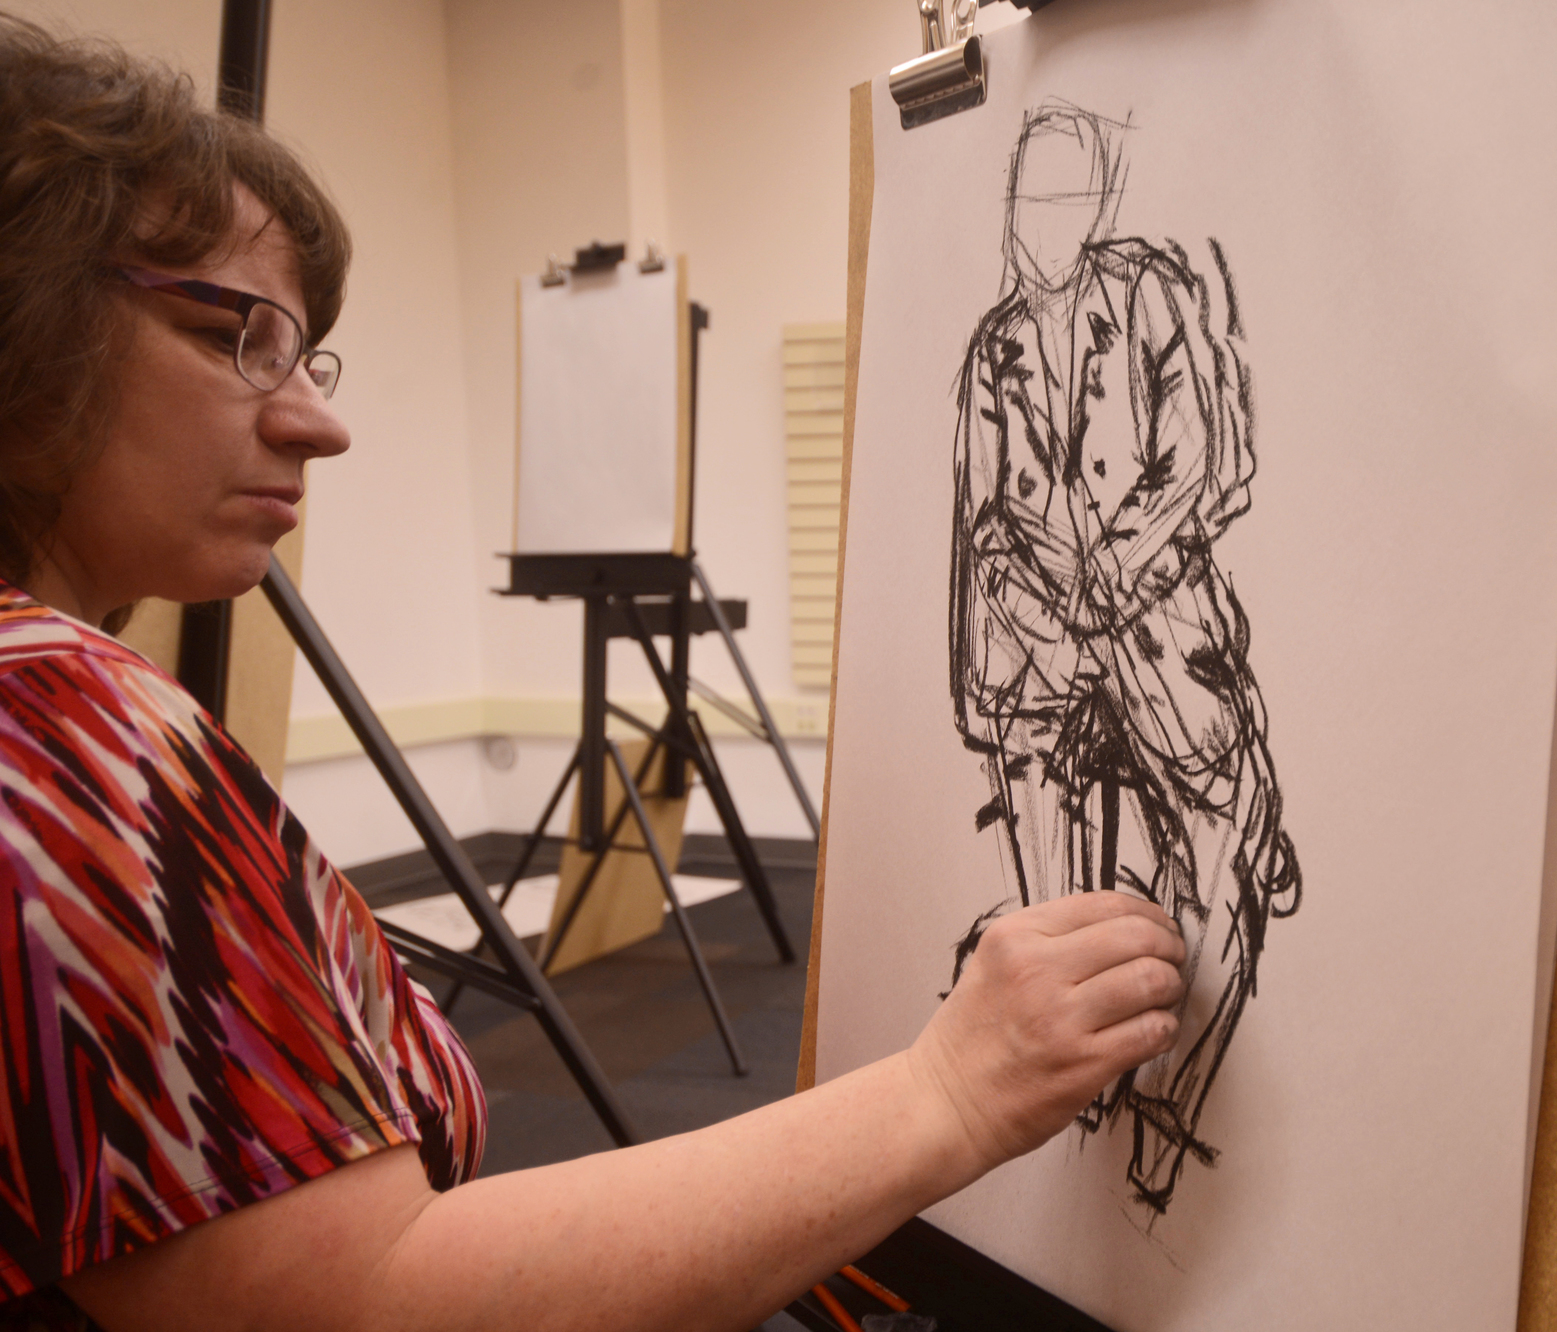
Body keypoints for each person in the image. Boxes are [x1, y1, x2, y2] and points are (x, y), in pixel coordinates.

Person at [0, 19, 1188, 1332]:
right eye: (243, 339)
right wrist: (944, 1097)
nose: (318, 421)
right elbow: (363, 1304)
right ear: (30, 307)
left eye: (308, 355)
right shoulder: (53, 726)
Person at [948, 102, 1301, 1215]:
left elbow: (1203, 461)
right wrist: (1031, 632)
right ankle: (1073, 1111)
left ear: (1099, 206)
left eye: (1063, 203)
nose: (1038, 228)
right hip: (1039, 650)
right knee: (1052, 915)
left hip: (1155, 626)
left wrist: (1113, 573)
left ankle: (1165, 1109)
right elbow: (981, 518)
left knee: (1227, 854)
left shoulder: (1149, 293)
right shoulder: (991, 343)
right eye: (1023, 202)